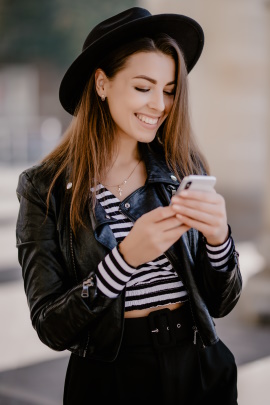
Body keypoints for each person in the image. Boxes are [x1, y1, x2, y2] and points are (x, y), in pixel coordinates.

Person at [16, 7, 242, 405]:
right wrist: (125, 258)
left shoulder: (182, 168)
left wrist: (219, 240)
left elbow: (221, 304)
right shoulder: (44, 188)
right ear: (102, 84)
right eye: (143, 87)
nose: (159, 104)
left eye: (169, 90)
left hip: (200, 368)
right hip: (111, 378)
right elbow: (51, 326)